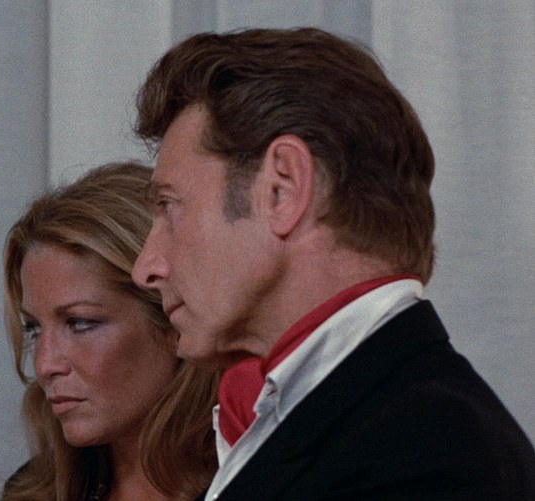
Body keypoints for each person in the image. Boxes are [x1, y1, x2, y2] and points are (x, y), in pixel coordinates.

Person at [130, 27, 535, 500]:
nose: (146, 268)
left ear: (282, 190)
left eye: (169, 208)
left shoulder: (422, 457)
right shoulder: (376, 424)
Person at [0, 161, 218, 501]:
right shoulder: (32, 490)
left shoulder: (260, 482)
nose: (44, 365)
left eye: (80, 323)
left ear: (174, 318)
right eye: (34, 329)